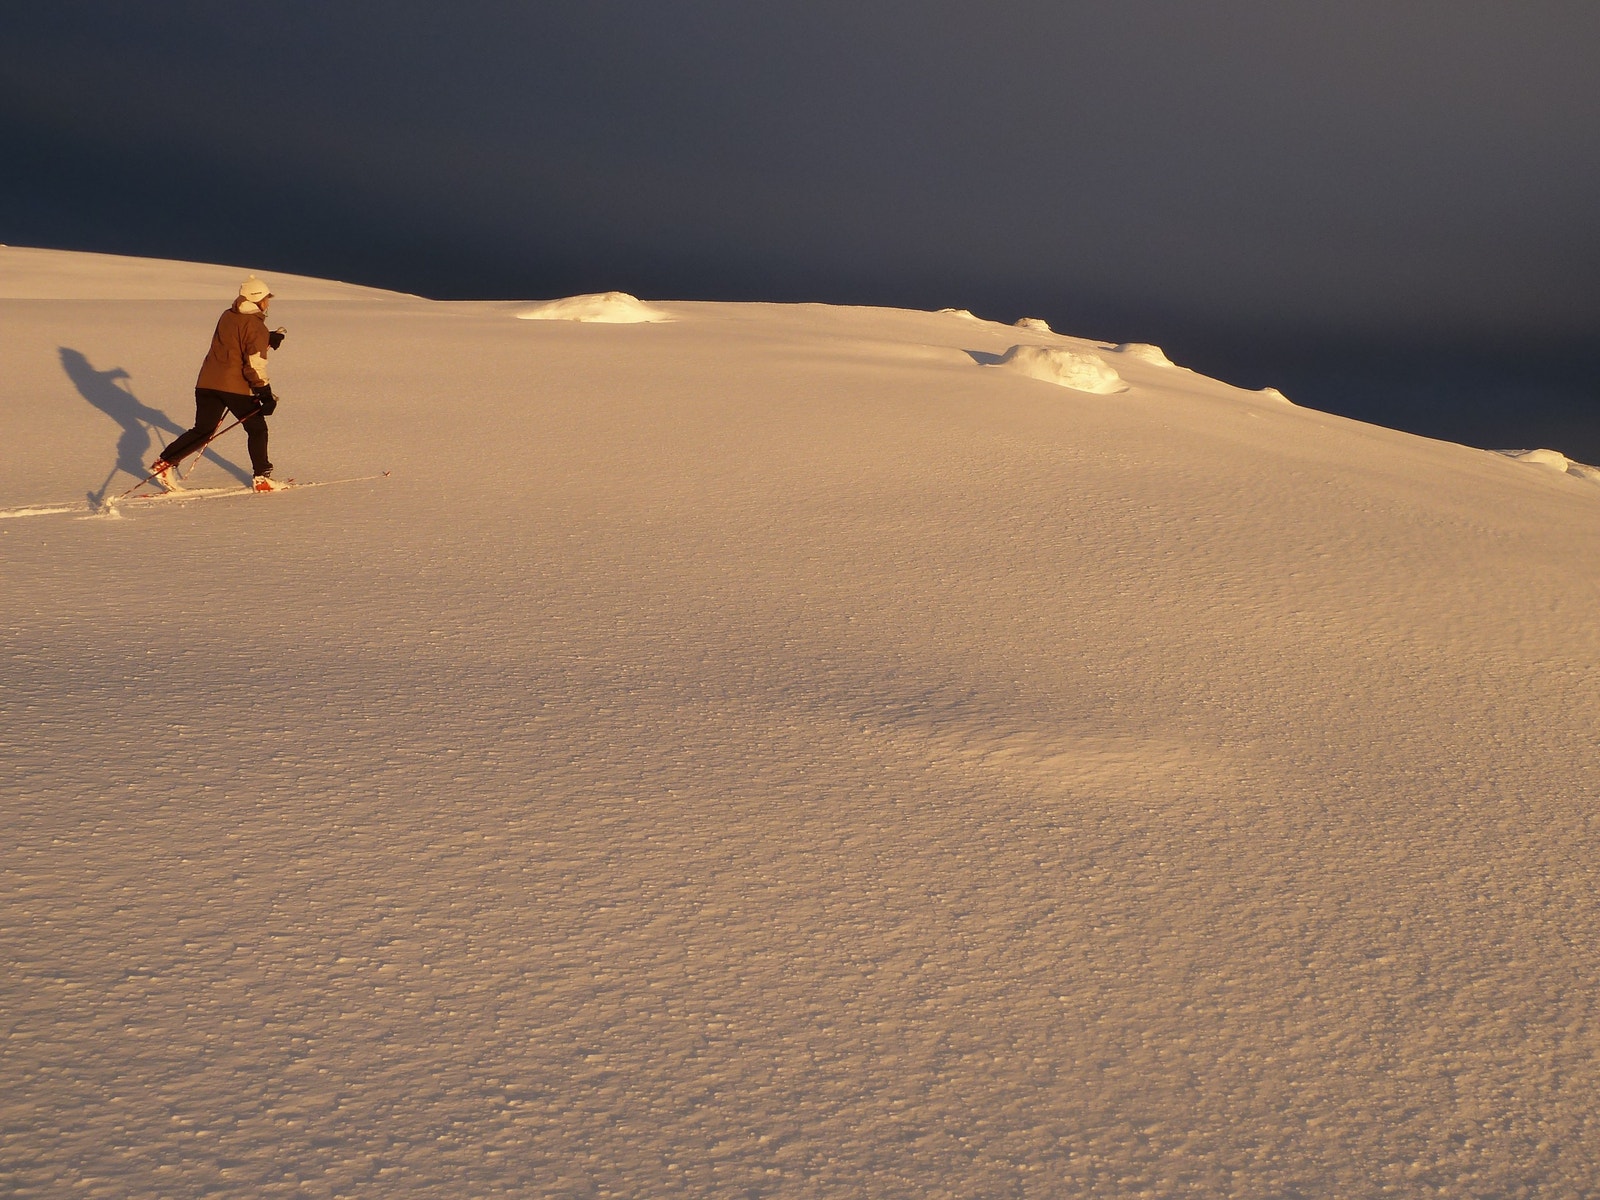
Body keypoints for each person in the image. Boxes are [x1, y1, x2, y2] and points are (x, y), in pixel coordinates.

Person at [150, 275, 286, 491]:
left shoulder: (228, 315)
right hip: (234, 387)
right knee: (257, 428)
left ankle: (164, 463)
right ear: (257, 300)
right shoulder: (256, 327)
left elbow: (235, 338)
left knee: (203, 430)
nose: (268, 302)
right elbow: (254, 364)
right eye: (267, 298)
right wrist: (265, 394)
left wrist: (267, 338)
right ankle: (262, 479)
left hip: (206, 382)